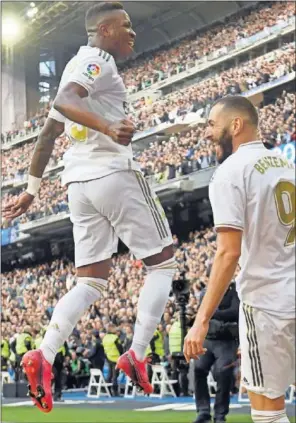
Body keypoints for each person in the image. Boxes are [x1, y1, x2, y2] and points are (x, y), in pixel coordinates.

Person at [3, 2, 176, 413]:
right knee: (163, 263)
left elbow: (47, 135)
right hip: (113, 174)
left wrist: (30, 189)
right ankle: (136, 353)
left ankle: (43, 354)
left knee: (91, 281)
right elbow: (64, 101)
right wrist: (109, 126)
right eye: (125, 26)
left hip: (77, 184)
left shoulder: (76, 68)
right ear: (103, 29)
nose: (132, 32)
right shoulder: (97, 60)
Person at [184, 96, 295, 423]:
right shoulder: (287, 165)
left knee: (267, 412)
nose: (207, 134)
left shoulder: (230, 172)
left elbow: (228, 251)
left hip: (266, 304)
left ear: (236, 125)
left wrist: (202, 319)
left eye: (211, 125)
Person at [192, 281, 239, 423]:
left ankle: (220, 415)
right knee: (199, 369)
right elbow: (202, 311)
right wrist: (213, 313)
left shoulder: (235, 291)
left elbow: (235, 311)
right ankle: (203, 411)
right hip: (208, 338)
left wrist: (212, 312)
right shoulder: (206, 291)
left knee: (223, 372)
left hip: (227, 340)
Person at [102, 324, 123, 396]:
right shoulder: (115, 338)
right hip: (116, 359)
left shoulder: (105, 338)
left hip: (108, 358)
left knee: (109, 375)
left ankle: (108, 391)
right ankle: (115, 391)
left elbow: (104, 349)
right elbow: (120, 348)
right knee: (115, 376)